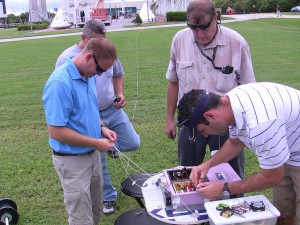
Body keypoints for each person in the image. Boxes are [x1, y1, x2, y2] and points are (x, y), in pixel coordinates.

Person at [177, 83, 300, 225]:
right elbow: (236, 142)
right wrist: (207, 165)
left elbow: (272, 177)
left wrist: (224, 189)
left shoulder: (260, 124)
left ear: (210, 115)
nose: (205, 136)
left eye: (202, 131)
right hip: (287, 151)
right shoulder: (233, 104)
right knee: (284, 214)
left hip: (293, 152)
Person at [55, 19, 140, 215]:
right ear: (85, 42)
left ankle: (109, 150)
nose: (100, 75)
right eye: (99, 70)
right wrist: (95, 138)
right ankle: (108, 197)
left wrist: (118, 96)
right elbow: (57, 128)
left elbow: (117, 75)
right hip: (81, 137)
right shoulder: (65, 69)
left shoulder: (100, 62)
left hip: (108, 113)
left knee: (132, 142)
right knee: (97, 164)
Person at [165, 0, 256, 182]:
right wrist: (169, 119)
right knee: (187, 174)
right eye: (193, 28)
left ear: (215, 18)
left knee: (231, 174)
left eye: (204, 27)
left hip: (225, 122)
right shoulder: (179, 40)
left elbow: (249, 89)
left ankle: (232, 204)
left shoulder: (236, 43)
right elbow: (173, 82)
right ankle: (191, 207)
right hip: (190, 122)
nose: (199, 34)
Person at [42, 38, 118, 225]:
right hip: (72, 162)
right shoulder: (60, 83)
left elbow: (90, 110)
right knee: (81, 218)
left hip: (92, 156)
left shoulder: (88, 76)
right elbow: (56, 132)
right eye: (100, 69)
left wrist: (102, 128)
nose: (100, 75)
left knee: (95, 209)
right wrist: (95, 142)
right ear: (89, 57)